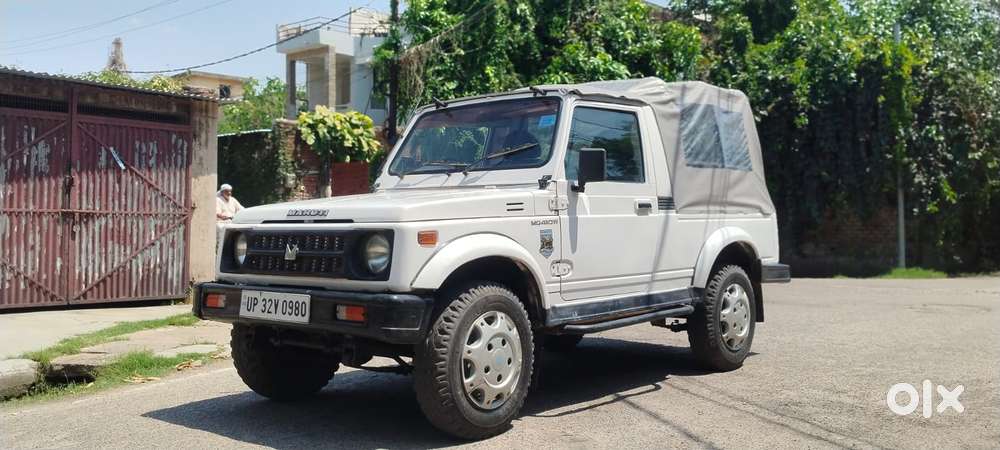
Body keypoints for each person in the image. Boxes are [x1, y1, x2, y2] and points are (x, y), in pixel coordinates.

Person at [215, 184, 243, 248]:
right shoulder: (218, 200)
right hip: (221, 223)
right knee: (222, 232)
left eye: (230, 191)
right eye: (227, 191)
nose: (229, 193)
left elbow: (241, 209)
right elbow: (217, 214)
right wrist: (227, 217)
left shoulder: (233, 200)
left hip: (233, 222)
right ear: (222, 192)